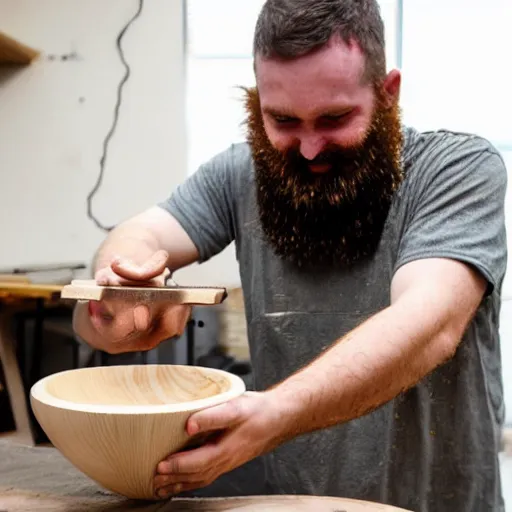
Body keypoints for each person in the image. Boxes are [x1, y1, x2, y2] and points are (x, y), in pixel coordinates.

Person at [73, 0, 508, 510]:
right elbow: (141, 233)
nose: (307, 148)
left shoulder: (457, 171)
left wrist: (274, 414)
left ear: (387, 93)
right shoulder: (238, 176)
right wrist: (126, 290)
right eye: (282, 120)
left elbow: (427, 322)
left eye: (334, 118)